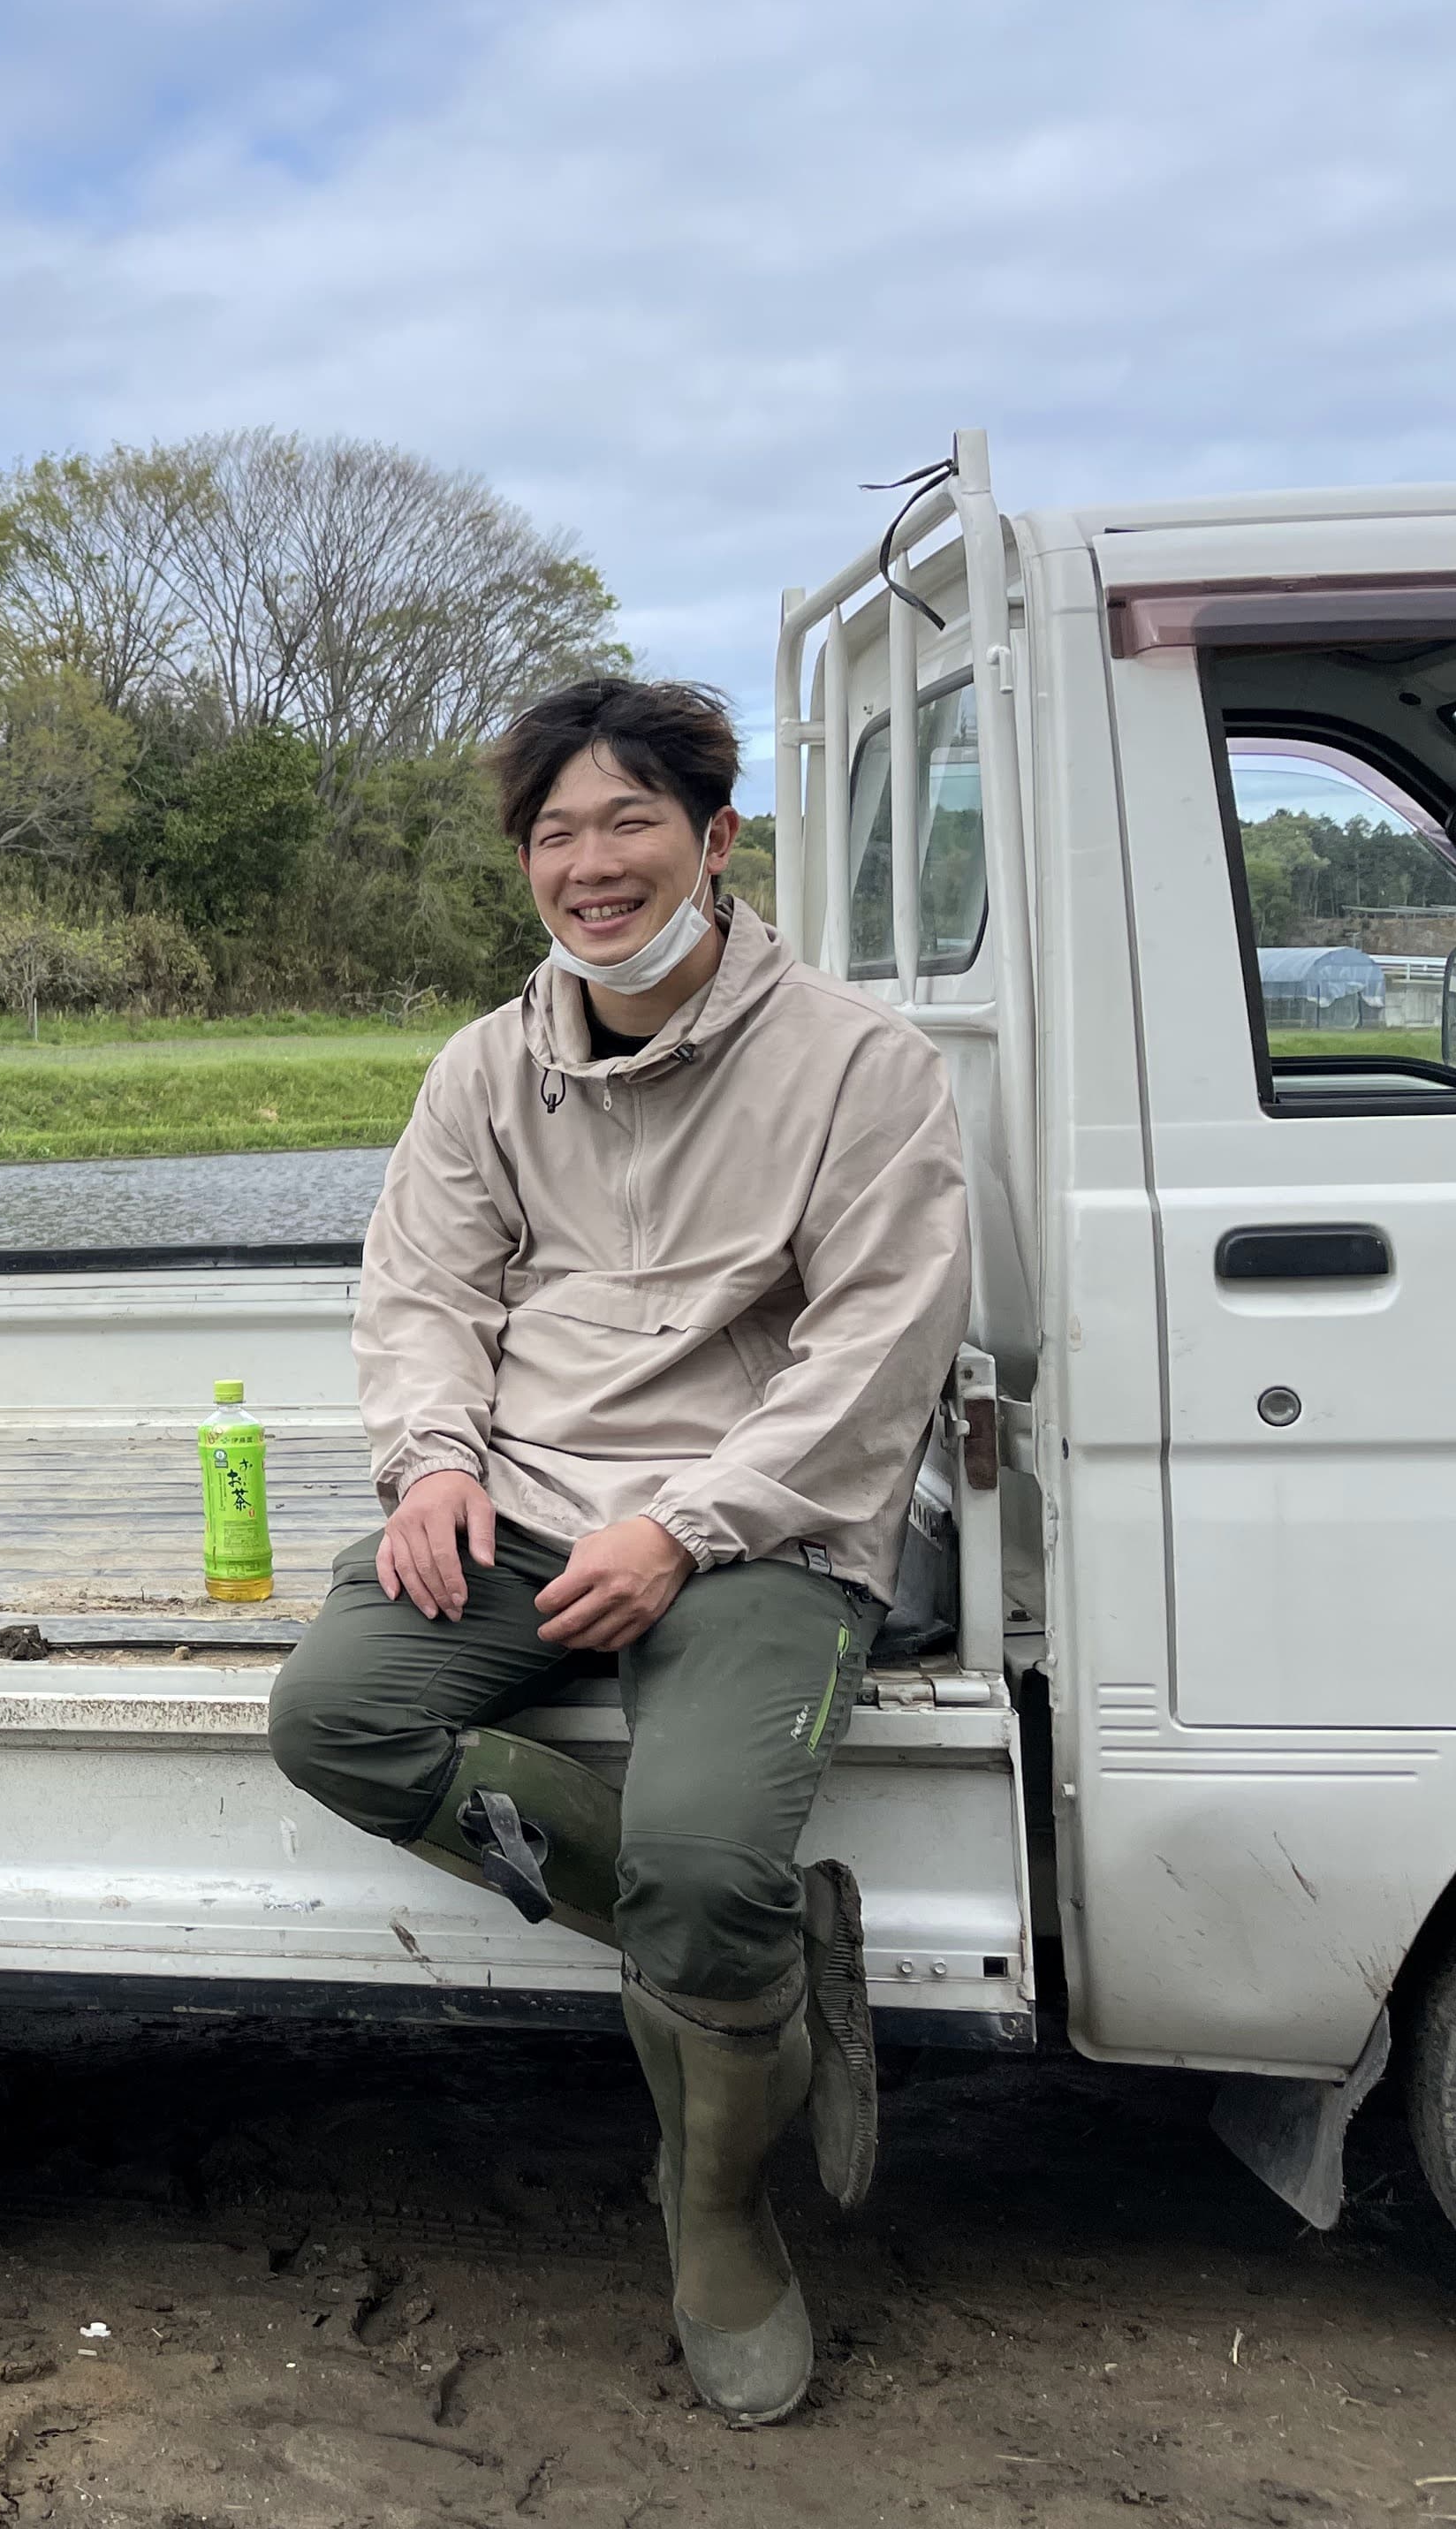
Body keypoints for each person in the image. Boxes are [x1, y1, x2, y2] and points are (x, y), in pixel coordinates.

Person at [267, 678, 969, 2426]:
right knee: (337, 1714)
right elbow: (423, 1294)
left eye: (629, 822)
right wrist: (433, 1462)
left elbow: (877, 1349)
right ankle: (758, 1967)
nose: (591, 864)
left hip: (762, 1522)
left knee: (703, 1858)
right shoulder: (486, 1068)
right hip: (523, 1498)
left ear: (715, 841)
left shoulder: (862, 1065)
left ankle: (716, 2206)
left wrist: (687, 1525)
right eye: (555, 833)